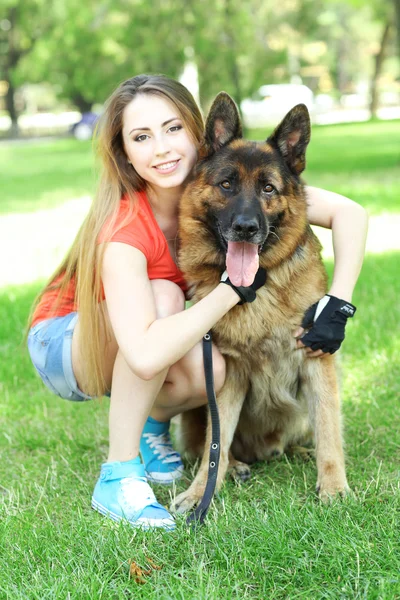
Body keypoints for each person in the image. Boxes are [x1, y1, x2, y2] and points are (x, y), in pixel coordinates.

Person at [27, 74, 368, 531]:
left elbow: (350, 213)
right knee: (166, 298)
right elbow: (146, 353)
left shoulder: (225, 170)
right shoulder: (127, 228)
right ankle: (119, 472)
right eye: (141, 137)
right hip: (66, 342)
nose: (163, 148)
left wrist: (337, 304)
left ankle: (150, 425)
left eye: (172, 129)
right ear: (124, 150)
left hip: (136, 329)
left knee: (217, 364)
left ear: (198, 133)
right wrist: (232, 290)